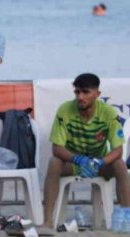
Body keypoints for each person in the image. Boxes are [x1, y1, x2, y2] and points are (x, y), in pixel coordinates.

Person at [42, 73, 129, 229]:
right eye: (77, 92)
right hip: (75, 163)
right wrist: (78, 160)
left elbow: (118, 150)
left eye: (86, 92)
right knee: (54, 162)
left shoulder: (109, 112)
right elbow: (57, 148)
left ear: (97, 94)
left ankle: (127, 219)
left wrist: (101, 162)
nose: (80, 97)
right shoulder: (65, 110)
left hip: (99, 164)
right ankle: (48, 221)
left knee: (120, 165)